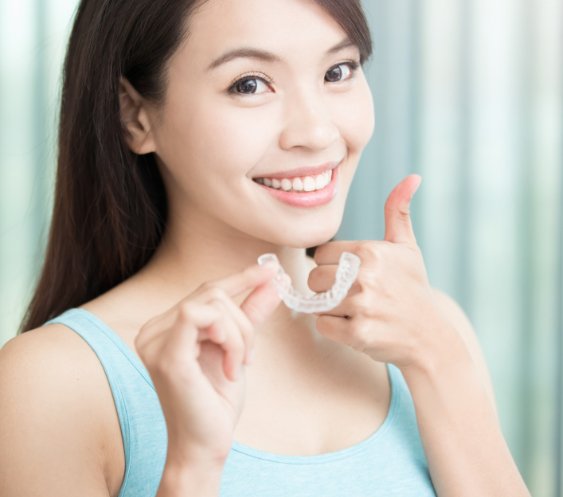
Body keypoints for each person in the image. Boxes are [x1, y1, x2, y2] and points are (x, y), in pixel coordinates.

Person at [0, 0, 531, 496]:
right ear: (135, 116)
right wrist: (191, 465)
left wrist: (439, 360)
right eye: (250, 84)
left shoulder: (433, 331)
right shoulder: (53, 384)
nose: (317, 131)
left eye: (337, 71)